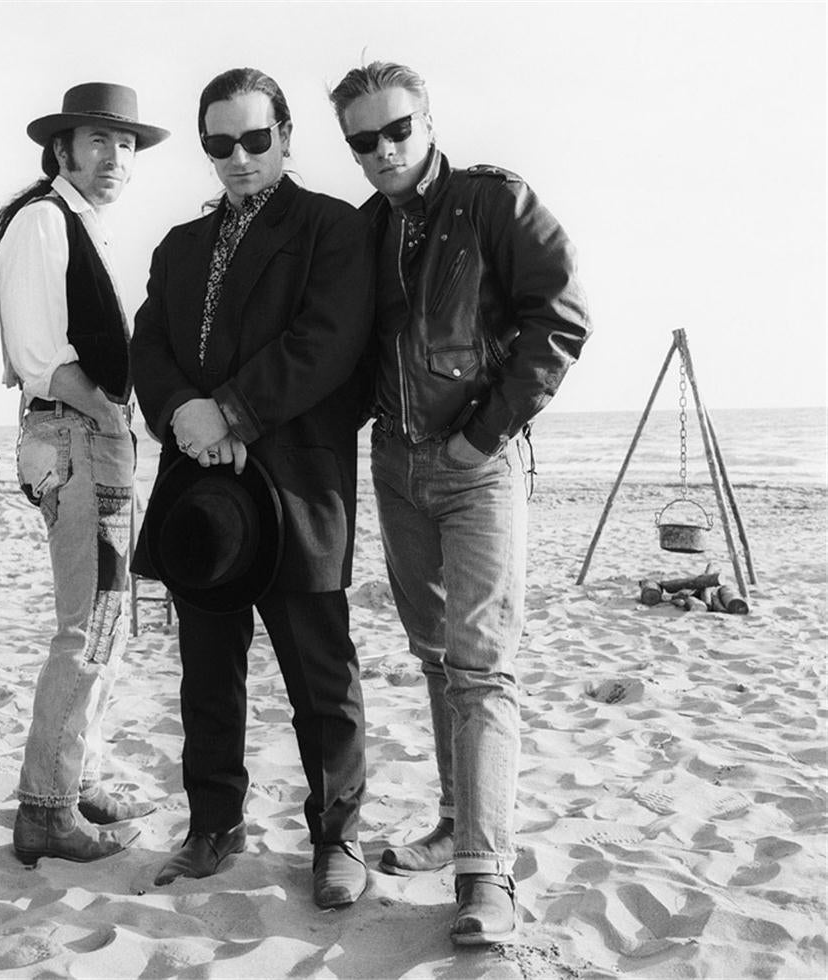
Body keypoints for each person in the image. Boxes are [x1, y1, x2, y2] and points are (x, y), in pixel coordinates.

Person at [328, 61, 591, 944]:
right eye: (362, 140)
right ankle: (454, 823)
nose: (383, 150)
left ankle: (487, 874)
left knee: (483, 666)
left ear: (429, 120)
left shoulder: (493, 204)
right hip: (396, 466)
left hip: (478, 467)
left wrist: (486, 432)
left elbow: (560, 317)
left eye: (397, 129)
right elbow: (349, 354)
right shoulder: (363, 231)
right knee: (435, 656)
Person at [131, 67, 374, 909]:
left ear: (286, 136)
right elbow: (148, 345)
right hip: (200, 493)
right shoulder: (178, 246)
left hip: (298, 484)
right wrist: (184, 414)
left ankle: (337, 839)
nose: (238, 158)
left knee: (322, 679)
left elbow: (330, 342)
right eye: (220, 144)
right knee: (206, 672)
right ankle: (213, 827)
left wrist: (231, 412)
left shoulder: (331, 230)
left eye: (255, 140)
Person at [0, 83, 169, 864]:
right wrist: (106, 417)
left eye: (125, 145)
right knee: (88, 626)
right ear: (62, 149)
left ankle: (79, 779)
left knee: (105, 623)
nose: (114, 158)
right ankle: (45, 808)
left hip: (88, 437)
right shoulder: (41, 220)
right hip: (74, 437)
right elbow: (36, 356)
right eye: (98, 141)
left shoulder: (80, 225)